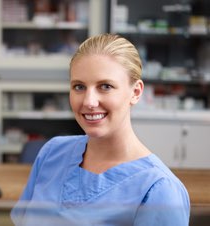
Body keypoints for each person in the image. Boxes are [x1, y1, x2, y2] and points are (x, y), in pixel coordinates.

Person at [10, 33, 190, 226]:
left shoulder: (159, 190)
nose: (89, 102)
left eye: (105, 86)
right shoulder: (52, 153)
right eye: (79, 87)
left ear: (135, 92)